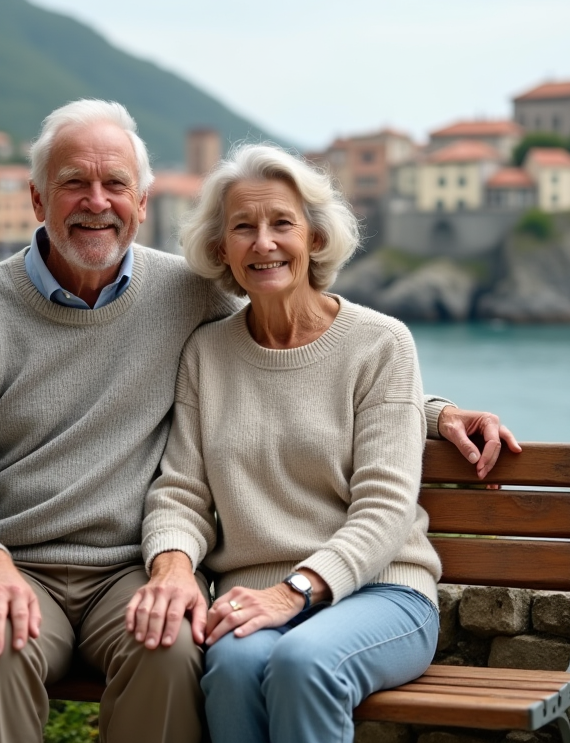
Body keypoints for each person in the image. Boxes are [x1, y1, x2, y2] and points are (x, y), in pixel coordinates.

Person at [0, 100, 517, 743]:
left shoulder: (186, 293)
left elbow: (303, 348)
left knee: (171, 648)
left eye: (115, 184)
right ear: (37, 199)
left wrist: (429, 412)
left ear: (141, 203)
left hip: (131, 571)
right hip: (12, 563)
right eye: (72, 184)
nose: (96, 201)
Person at [129, 143, 483, 743]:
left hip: (383, 591)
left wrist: (295, 592)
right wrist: (174, 566)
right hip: (257, 599)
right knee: (234, 664)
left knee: (303, 662)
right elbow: (181, 492)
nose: (263, 242)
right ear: (222, 251)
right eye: (243, 227)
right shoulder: (206, 353)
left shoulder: (380, 344)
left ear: (315, 238)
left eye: (282, 224)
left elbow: (386, 506)